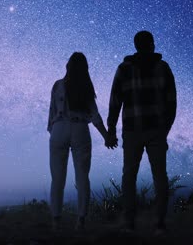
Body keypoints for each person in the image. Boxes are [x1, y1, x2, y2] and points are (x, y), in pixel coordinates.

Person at [106, 31, 177, 234]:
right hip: (155, 130)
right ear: (152, 45)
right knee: (160, 177)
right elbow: (171, 102)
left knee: (129, 176)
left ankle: (129, 223)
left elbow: (115, 102)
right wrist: (165, 129)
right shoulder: (162, 68)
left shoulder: (124, 69)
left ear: (136, 45)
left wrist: (111, 129)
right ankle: (159, 224)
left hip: (132, 131)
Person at [47, 52, 116, 231]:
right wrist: (106, 135)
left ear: (67, 66)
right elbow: (94, 115)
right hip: (80, 130)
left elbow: (52, 112)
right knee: (82, 176)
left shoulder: (58, 85)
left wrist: (53, 132)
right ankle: (81, 220)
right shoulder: (86, 87)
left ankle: (56, 220)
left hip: (59, 128)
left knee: (57, 179)